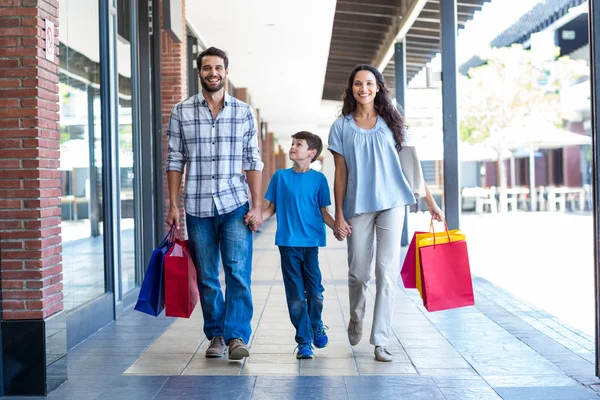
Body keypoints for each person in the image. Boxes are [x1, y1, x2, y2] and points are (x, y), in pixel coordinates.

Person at [328, 64, 444, 362]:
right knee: (358, 273)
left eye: (369, 83)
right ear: (351, 89)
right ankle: (356, 316)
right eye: (357, 84)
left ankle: (380, 339)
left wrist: (431, 203)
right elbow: (340, 173)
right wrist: (338, 214)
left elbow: (412, 169)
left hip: (393, 203)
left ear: (378, 87)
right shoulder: (341, 126)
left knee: (386, 272)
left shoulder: (394, 122)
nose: (363, 89)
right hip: (357, 206)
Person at [165, 46, 264, 361]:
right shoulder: (182, 111)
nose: (213, 73)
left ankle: (237, 337)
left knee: (237, 271)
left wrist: (257, 205)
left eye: (218, 67)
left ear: (226, 71)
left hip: (234, 204)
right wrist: (173, 204)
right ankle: (216, 335)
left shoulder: (243, 112)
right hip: (195, 206)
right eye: (207, 68)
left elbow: (253, 160)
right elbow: (174, 159)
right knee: (207, 275)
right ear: (199, 72)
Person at [246, 131, 340, 359]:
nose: (293, 147)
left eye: (299, 144)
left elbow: (323, 213)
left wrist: (337, 226)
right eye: (292, 143)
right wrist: (259, 218)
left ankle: (316, 324)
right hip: (287, 244)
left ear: (312, 153)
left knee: (315, 293)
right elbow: (271, 209)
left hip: (311, 245)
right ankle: (304, 341)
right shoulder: (280, 177)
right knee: (296, 295)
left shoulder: (319, 180)